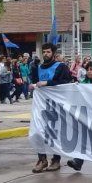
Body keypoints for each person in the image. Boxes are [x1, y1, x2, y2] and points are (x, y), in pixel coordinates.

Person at [29, 43, 72, 173]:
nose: (46, 54)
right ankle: (42, 159)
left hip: (56, 106)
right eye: (44, 52)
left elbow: (66, 83)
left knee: (54, 133)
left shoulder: (61, 67)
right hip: (41, 106)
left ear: (53, 53)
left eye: (48, 52)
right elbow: (36, 82)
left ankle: (56, 160)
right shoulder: (38, 67)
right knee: (37, 132)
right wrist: (33, 85)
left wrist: (48, 83)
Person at [67, 61, 92, 173]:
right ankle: (78, 161)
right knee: (84, 138)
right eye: (88, 69)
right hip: (87, 115)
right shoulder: (83, 82)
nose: (89, 72)